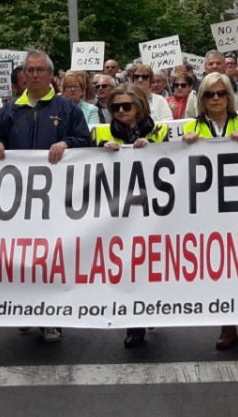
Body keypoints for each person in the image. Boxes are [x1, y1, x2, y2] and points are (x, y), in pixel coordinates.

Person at [0, 51, 91, 344]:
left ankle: (51, 317)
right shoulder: (8, 111)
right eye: (29, 70)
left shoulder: (67, 109)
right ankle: (26, 309)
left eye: (40, 70)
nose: (34, 75)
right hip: (19, 201)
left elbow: (85, 141)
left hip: (56, 200)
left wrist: (67, 143)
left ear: (51, 75)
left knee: (51, 259)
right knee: (22, 258)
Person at [180, 72, 238, 350]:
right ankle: (228, 326)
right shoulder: (190, 127)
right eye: (209, 94)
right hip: (208, 209)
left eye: (221, 93)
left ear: (229, 96)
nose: (215, 98)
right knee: (220, 269)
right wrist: (184, 145)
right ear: (202, 99)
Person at [91, 84, 168, 348]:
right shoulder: (101, 132)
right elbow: (82, 157)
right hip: (120, 211)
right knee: (128, 266)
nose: (121, 111)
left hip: (154, 210)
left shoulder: (159, 130)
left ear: (140, 106)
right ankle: (134, 324)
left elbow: (175, 158)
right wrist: (100, 147)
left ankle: (152, 307)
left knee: (153, 264)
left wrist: (153, 147)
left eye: (127, 106)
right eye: (115, 108)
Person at [185, 50, 238, 118]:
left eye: (218, 63)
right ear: (205, 67)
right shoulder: (195, 94)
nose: (215, 66)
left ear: (224, 66)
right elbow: (189, 119)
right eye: (211, 64)